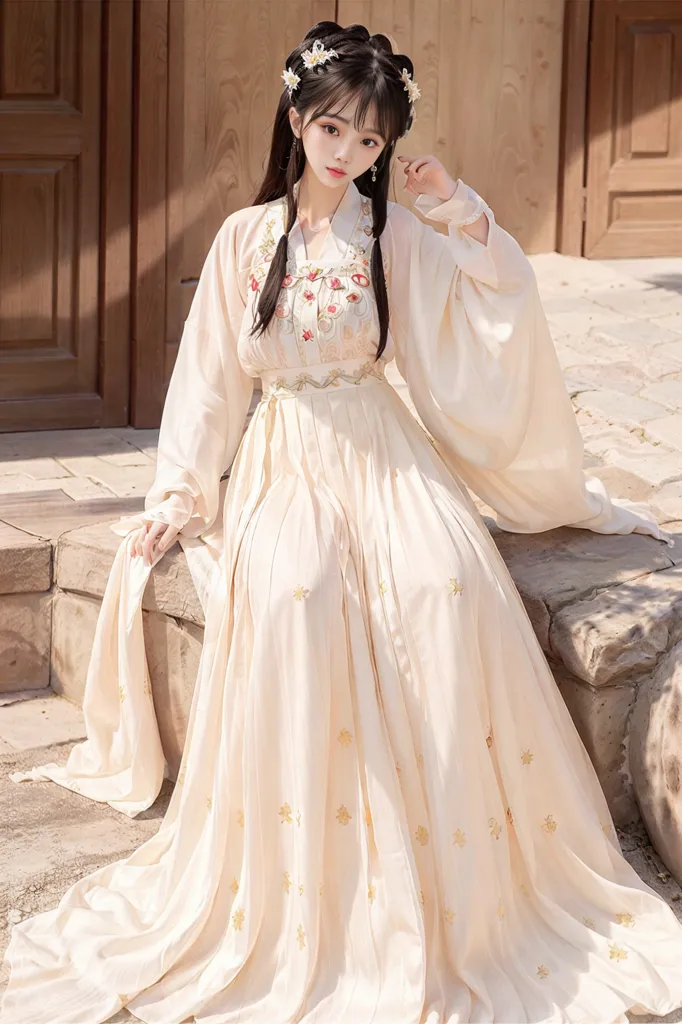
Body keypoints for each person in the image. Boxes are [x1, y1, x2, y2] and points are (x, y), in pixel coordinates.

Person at [3, 21, 682, 1024]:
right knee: (291, 591)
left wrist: (456, 212)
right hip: (288, 458)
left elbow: (494, 300)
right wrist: (180, 497)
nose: (349, 154)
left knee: (443, 582)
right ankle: (316, 876)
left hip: (385, 453)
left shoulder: (392, 233)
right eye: (333, 129)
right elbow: (209, 384)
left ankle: (459, 872)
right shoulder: (247, 239)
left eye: (370, 141)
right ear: (295, 119)